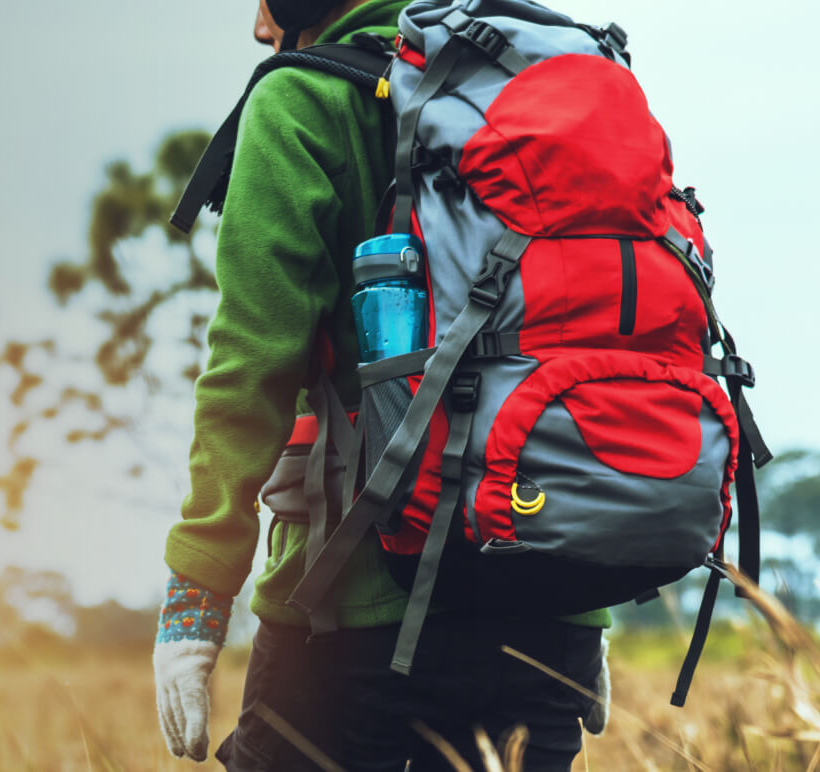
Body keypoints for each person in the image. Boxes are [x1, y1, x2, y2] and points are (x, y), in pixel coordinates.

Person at [152, 1, 612, 769]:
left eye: (265, 3)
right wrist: (583, 588)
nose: (259, 28)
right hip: (551, 619)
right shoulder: (549, 87)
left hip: (355, 621)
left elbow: (251, 362)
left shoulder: (302, 97)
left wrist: (196, 593)